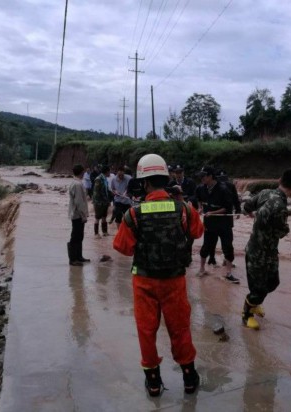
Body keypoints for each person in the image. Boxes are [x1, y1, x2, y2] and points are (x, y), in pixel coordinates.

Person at [113, 153, 204, 397]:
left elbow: (122, 247)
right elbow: (197, 231)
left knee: (146, 330)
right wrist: (182, 202)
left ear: (144, 183)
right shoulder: (184, 209)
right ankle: (189, 377)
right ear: (167, 179)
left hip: (144, 281)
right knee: (180, 328)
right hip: (175, 281)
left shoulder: (133, 214)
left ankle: (153, 382)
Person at [242, 168, 291, 330]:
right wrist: (287, 228)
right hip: (258, 252)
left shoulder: (265, 192)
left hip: (266, 251)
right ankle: (247, 314)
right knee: (259, 288)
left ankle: (255, 303)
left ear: (279, 180)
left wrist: (252, 215)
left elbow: (246, 206)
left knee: (273, 282)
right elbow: (281, 232)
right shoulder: (280, 206)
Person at [195, 166, 239, 284]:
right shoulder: (201, 188)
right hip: (209, 223)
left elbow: (228, 208)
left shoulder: (224, 189)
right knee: (206, 247)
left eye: (203, 176)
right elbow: (198, 199)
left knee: (227, 247)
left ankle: (229, 273)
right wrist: (200, 208)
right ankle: (202, 269)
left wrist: (213, 212)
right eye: (200, 176)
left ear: (210, 176)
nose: (201, 178)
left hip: (224, 224)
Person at [207, 169, 242, 267]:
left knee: (227, 242)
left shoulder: (231, 186)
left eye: (224, 179)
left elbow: (235, 199)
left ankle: (227, 260)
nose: (223, 182)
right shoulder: (210, 187)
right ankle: (211, 257)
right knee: (212, 240)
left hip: (226, 219)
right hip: (213, 218)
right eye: (221, 179)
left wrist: (238, 210)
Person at [67, 164, 90, 266]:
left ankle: (79, 256)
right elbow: (79, 202)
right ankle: (73, 259)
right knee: (76, 236)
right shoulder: (77, 184)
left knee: (79, 235)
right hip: (77, 214)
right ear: (81, 172)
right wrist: (83, 215)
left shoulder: (75, 183)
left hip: (75, 213)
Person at [92, 165, 111, 237]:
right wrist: (96, 202)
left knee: (104, 217)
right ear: (107, 172)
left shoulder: (105, 179)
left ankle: (105, 232)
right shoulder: (98, 179)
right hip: (98, 202)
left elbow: (105, 190)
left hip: (104, 202)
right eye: (109, 171)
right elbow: (96, 192)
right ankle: (96, 234)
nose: (110, 173)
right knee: (97, 218)